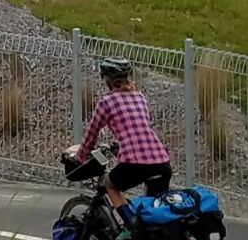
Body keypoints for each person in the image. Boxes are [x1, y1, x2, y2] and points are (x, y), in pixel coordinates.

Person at [65, 58, 172, 225]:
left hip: (135, 163)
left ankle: (129, 228)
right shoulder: (140, 97)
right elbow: (138, 128)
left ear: (107, 79)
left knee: (110, 185)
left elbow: (91, 135)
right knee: (155, 215)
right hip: (162, 162)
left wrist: (80, 157)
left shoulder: (106, 102)